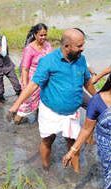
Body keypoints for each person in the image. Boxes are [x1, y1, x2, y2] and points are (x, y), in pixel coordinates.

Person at [8, 28, 96, 172]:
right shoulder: (48, 61)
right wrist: (16, 105)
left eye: (83, 45)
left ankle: (76, 173)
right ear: (67, 46)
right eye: (79, 46)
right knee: (48, 140)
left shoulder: (81, 60)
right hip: (50, 111)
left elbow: (87, 82)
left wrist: (98, 98)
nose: (83, 49)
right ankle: (46, 169)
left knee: (73, 143)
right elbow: (33, 84)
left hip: (72, 112)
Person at [13, 23, 52, 124]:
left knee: (43, 103)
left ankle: (39, 122)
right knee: (25, 105)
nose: (43, 37)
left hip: (45, 81)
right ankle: (15, 124)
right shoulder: (29, 49)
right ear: (35, 35)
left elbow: (52, 61)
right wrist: (25, 86)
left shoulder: (48, 45)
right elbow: (25, 69)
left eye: (45, 35)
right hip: (33, 82)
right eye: (41, 35)